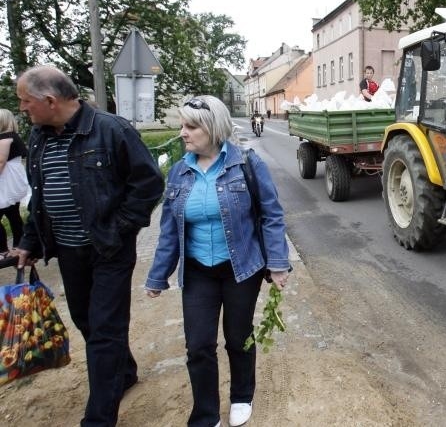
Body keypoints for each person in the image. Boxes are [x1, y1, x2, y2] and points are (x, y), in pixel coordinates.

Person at [9, 65, 164, 426]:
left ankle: (98, 418)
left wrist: (121, 229)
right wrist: (30, 241)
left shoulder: (111, 130)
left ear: (50, 100)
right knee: (87, 322)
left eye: (25, 101)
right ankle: (123, 373)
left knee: (105, 332)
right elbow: (40, 197)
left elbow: (148, 184)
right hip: (68, 251)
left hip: (109, 250)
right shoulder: (38, 137)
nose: (23, 108)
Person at [145, 95, 291, 427]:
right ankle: (206, 414)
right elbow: (168, 229)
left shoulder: (248, 164)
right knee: (198, 345)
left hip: (242, 268)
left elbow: (271, 215)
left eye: (191, 126)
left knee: (238, 337)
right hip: (198, 272)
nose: (183, 132)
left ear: (212, 128)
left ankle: (241, 395)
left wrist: (278, 263)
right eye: (182, 125)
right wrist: (157, 276)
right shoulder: (180, 173)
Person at [0, 108, 28, 255]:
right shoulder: (14, 137)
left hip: (6, 182)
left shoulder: (5, 138)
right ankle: (18, 245)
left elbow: (1, 161)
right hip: (13, 181)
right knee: (13, 214)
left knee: (11, 214)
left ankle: (3, 249)